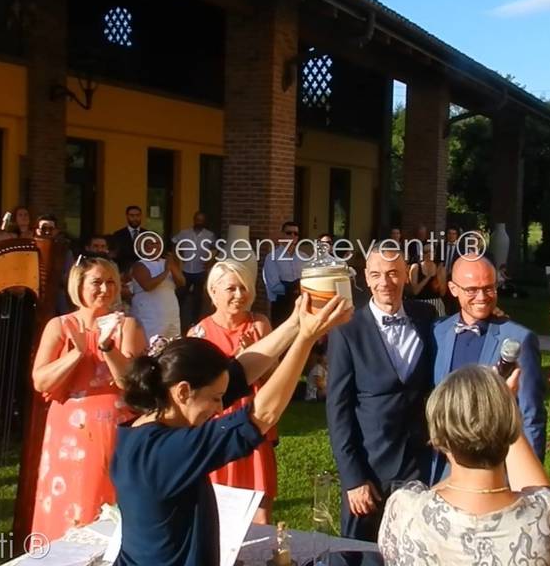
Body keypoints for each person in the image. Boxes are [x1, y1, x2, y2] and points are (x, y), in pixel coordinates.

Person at [111, 294, 352, 566]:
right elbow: (261, 415)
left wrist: (295, 323)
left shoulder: (145, 426)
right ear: (182, 391)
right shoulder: (166, 452)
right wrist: (306, 339)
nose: (219, 408)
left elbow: (238, 371)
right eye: (215, 398)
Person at [378, 365, 550, 564]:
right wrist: (503, 407)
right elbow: (540, 490)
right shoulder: (547, 516)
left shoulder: (406, 512)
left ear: (438, 437)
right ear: (512, 428)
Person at [326, 246, 439, 564]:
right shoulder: (347, 329)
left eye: (392, 273)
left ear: (406, 275)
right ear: (365, 278)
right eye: (376, 274)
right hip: (369, 471)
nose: (385, 282)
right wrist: (353, 479)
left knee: (413, 551)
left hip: (418, 465)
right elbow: (338, 410)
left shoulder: (426, 318)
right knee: (362, 557)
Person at [30, 256, 146, 540]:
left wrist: (106, 346)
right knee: (68, 500)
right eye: (97, 282)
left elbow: (128, 382)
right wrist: (76, 354)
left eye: (111, 282)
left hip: (114, 427)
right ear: (78, 285)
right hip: (69, 431)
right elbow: (40, 380)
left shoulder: (127, 326)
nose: (105, 289)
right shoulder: (59, 326)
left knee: (104, 500)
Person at [432, 256, 545, 481]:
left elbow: (531, 414)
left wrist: (528, 483)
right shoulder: (437, 332)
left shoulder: (518, 339)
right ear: (453, 289)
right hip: (441, 467)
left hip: (493, 470)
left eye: (489, 288)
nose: (482, 297)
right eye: (472, 289)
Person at [188, 260, 275, 524]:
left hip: (253, 420)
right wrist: (236, 365)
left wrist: (255, 356)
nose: (239, 295)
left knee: (260, 503)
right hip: (218, 427)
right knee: (216, 506)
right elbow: (196, 390)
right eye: (231, 289)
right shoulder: (199, 333)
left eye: (243, 288)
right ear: (213, 292)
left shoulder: (259, 324)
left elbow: (275, 376)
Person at [129, 239, 184, 340]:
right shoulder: (140, 265)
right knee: (151, 345)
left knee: (173, 345)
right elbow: (148, 286)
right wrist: (166, 271)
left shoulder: (167, 262)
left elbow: (182, 282)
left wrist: (172, 266)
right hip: (149, 314)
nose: (155, 246)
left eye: (158, 243)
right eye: (151, 243)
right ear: (143, 247)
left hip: (171, 312)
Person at [173, 211, 216, 331]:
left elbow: (218, 248)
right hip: (186, 270)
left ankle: (195, 322)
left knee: (198, 298)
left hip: (200, 270)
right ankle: (179, 320)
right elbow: (174, 243)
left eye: (201, 220)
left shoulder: (209, 235)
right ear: (194, 219)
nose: (199, 222)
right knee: (181, 295)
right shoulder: (184, 233)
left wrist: (211, 261)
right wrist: (178, 256)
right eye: (197, 219)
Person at [262, 221, 305, 327]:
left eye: (296, 234)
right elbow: (274, 286)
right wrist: (296, 287)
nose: (292, 236)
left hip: (302, 305)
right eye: (289, 233)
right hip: (282, 306)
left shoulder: (304, 257)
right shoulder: (272, 257)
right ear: (282, 235)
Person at [406, 242, 447, 316]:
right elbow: (415, 292)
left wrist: (438, 274)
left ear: (434, 253)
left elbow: (442, 292)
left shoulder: (440, 269)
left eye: (430, 251)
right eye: (425, 252)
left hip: (436, 303)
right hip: (420, 303)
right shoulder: (415, 267)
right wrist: (428, 277)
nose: (428, 254)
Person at [111, 205, 145, 272]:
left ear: (141, 216)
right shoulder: (118, 235)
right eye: (132, 216)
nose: (135, 218)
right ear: (127, 216)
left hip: (144, 270)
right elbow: (117, 255)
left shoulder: (147, 234)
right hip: (124, 270)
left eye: (137, 215)